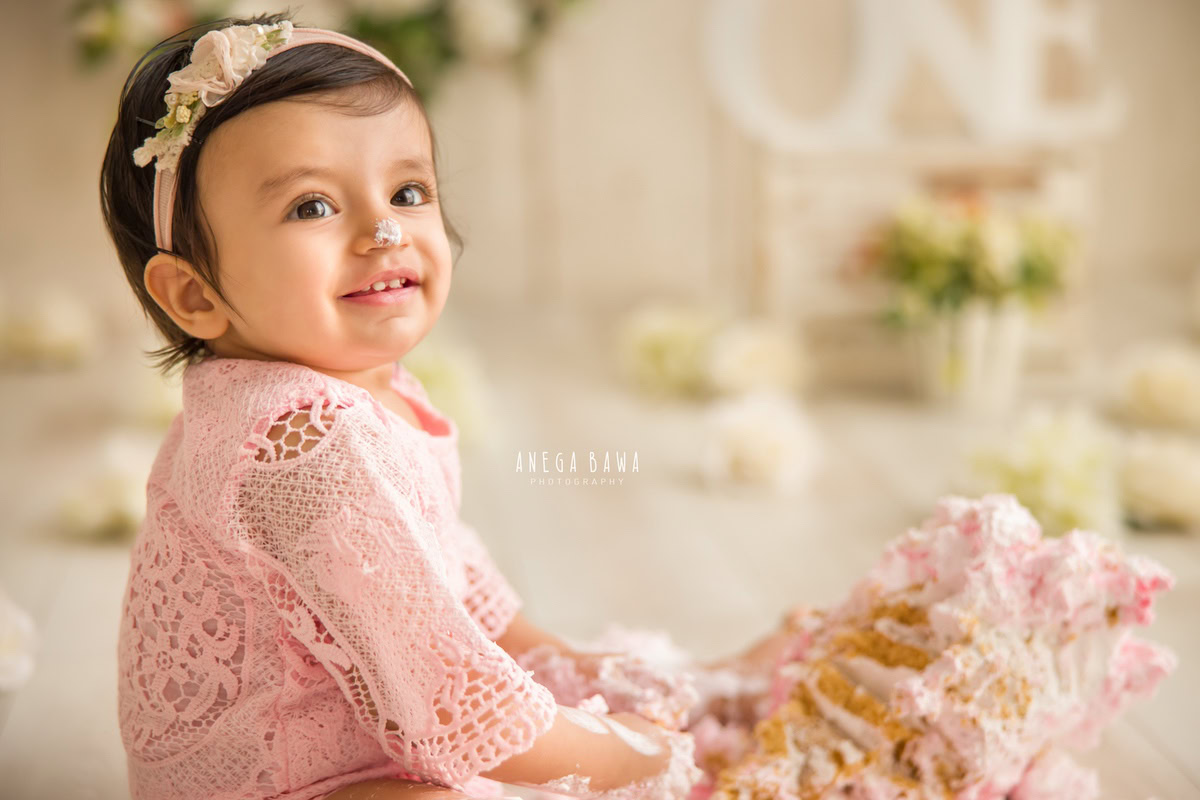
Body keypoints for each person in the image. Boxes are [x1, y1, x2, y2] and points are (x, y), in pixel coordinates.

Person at [100, 11, 793, 800]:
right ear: (193, 294)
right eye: (312, 207)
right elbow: (456, 701)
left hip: (350, 744)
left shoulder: (336, 394)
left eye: (407, 189)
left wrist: (598, 679)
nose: (385, 228)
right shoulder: (302, 444)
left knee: (583, 700)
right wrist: (640, 756)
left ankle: (696, 687)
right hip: (286, 783)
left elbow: (454, 588)